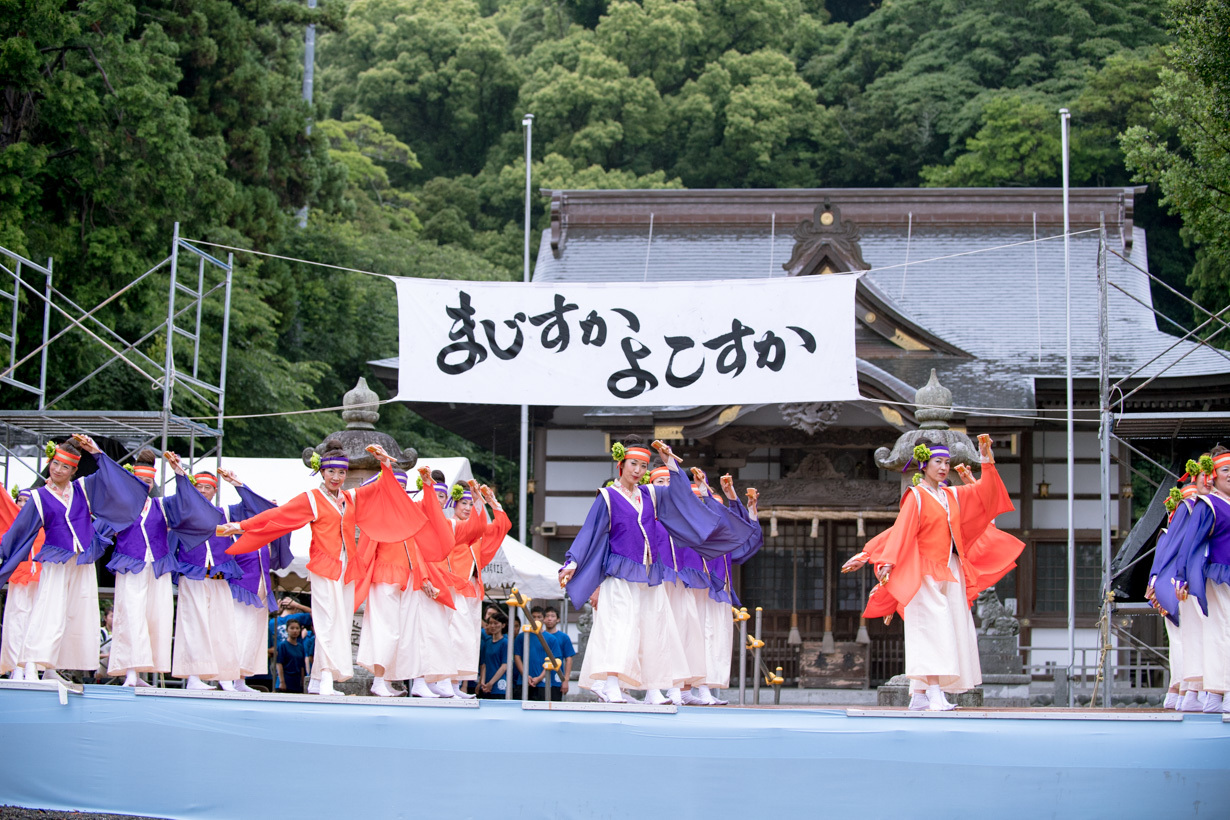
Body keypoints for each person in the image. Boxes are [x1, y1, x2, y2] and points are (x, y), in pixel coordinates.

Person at [220, 441, 426, 696]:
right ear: (322, 471)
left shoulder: (351, 498)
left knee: (339, 623)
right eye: (331, 472)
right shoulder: (312, 499)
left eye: (342, 473)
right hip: (323, 566)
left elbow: (383, 488)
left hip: (347, 568)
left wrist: (384, 462)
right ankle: (328, 677)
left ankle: (318, 679)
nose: (337, 477)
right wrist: (242, 526)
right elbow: (278, 515)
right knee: (328, 621)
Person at [845, 435, 1023, 711]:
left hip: (950, 568)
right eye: (938, 461)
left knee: (948, 626)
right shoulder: (916, 496)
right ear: (924, 464)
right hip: (924, 570)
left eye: (947, 462)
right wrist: (879, 558)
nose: (943, 467)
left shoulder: (950, 495)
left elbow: (986, 495)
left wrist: (987, 459)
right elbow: (901, 531)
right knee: (933, 628)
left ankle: (919, 694)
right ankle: (935, 692)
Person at [558, 438, 729, 704]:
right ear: (621, 465)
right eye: (633, 464)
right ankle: (612, 684)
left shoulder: (650, 494)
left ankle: (653, 689)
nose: (637, 470)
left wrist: (670, 461)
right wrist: (572, 562)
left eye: (643, 465)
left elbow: (681, 494)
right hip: (620, 574)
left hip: (650, 575)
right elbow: (589, 532)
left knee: (654, 630)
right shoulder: (608, 497)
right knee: (619, 628)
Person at [0, 435, 149, 686]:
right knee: (49, 610)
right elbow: (19, 533)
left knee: (76, 613)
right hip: (56, 561)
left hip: (82, 560)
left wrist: (96, 452)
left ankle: (51, 667)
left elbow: (114, 482)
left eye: (65, 466)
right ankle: (32, 665)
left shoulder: (83, 489)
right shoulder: (39, 497)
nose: (58, 470)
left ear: (74, 470)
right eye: (55, 464)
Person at [108, 449, 221, 688]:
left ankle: (140, 672)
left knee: (155, 617)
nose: (143, 485)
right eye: (138, 480)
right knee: (131, 614)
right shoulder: (121, 507)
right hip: (131, 564)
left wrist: (179, 473)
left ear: (152, 484)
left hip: (158, 566)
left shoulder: (161, 505)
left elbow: (187, 503)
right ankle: (129, 672)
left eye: (148, 481)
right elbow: (98, 525)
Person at [353, 466, 452, 698]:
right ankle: (378, 679)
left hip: (408, 577)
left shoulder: (408, 513)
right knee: (385, 631)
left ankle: (388, 679)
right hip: (384, 576)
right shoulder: (377, 512)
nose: (400, 491)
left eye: (402, 487)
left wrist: (428, 484)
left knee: (404, 633)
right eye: (394, 485)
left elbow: (419, 539)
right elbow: (366, 547)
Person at [199, 468, 292, 694]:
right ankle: (225, 678)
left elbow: (283, 542)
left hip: (261, 590)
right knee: (234, 632)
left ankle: (241, 680)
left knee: (253, 636)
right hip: (239, 588)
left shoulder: (267, 535)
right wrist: (238, 484)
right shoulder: (233, 525)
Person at [425, 479, 510, 699]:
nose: (466, 508)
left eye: (470, 504)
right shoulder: (448, 525)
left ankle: (455, 685)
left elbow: (501, 527)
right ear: (452, 504)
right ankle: (443, 680)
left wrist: (492, 503)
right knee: (453, 635)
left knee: (467, 638)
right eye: (462, 503)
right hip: (452, 586)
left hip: (471, 587)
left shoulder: (476, 529)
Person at [1172, 447, 1230, 713]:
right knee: (1222, 631)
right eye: (1225, 470)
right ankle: (1221, 692)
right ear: (1213, 476)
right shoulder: (1208, 504)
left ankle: (1215, 694)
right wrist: (1182, 577)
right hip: (1218, 575)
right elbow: (1191, 542)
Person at [1147, 470, 1206, 710]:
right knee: (1190, 637)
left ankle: (1180, 689)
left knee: (1183, 639)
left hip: (1173, 581)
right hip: (1184, 581)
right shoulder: (1192, 508)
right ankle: (1191, 689)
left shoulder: (1167, 535)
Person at [0, 488, 42, 680]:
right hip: (19, 580)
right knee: (16, 622)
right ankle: (17, 666)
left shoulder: (43, 525)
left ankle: (33, 665)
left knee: (37, 622)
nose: (23, 505)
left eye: (28, 501)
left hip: (40, 579)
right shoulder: (13, 525)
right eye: (20, 501)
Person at [541, 606, 575, 701]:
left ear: (558, 619)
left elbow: (569, 659)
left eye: (552, 616)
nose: (549, 619)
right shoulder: (539, 636)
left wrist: (566, 680)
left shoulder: (564, 637)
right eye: (547, 616)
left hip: (556, 678)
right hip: (540, 678)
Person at [478, 610, 510, 699]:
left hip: (499, 684)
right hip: (486, 683)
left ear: (503, 625)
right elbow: (484, 664)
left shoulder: (505, 643)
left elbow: (504, 666)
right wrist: (483, 682)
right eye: (490, 623)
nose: (492, 626)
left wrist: (491, 683)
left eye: (496, 623)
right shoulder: (487, 643)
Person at [276, 619, 310, 694]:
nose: (295, 631)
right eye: (292, 628)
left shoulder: (300, 647)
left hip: (297, 682)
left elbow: (302, 666)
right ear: (287, 630)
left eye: (297, 628)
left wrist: (302, 682)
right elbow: (279, 663)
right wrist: (282, 682)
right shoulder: (283, 645)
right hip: (286, 681)